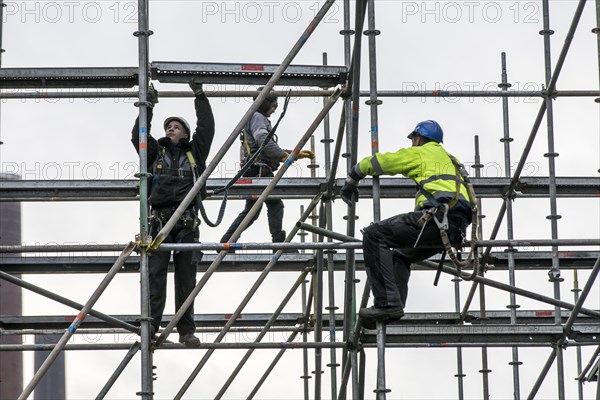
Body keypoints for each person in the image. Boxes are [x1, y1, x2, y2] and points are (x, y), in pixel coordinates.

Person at [340, 120, 473, 322]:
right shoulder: (452, 160)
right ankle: (394, 307)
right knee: (399, 256)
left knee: (374, 235)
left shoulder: (421, 152)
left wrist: (354, 175)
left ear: (419, 139)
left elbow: (383, 162)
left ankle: (386, 304)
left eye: (414, 140)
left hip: (435, 221)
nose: (413, 143)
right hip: (454, 229)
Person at [131, 80, 214, 347]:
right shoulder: (156, 152)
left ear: (186, 134)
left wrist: (199, 95)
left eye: (176, 126)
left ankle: (186, 330)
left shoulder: (195, 154)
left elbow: (207, 127)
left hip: (187, 223)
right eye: (168, 126)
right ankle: (152, 322)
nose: (170, 129)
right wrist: (148, 107)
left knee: (186, 280)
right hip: (160, 223)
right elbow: (138, 136)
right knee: (155, 274)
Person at [219, 89, 313, 248]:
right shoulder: (258, 117)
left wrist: (294, 154)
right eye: (273, 104)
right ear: (265, 103)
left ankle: (228, 240)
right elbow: (262, 140)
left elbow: (263, 147)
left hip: (257, 170)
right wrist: (283, 156)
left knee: (253, 211)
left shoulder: (255, 117)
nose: (275, 108)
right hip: (258, 171)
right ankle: (278, 244)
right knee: (273, 205)